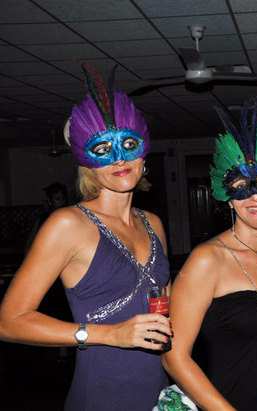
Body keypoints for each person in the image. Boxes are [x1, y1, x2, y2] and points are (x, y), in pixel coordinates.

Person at [0, 63, 171, 410]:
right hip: (102, 396)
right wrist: (111, 334)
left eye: (128, 144)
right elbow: (9, 322)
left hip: (159, 392)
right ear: (86, 163)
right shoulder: (68, 224)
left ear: (143, 153)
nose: (119, 159)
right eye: (103, 150)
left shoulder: (152, 222)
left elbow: (164, 308)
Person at [161, 97, 257, 411]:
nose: (256, 197)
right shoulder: (207, 259)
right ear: (228, 198)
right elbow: (173, 356)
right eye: (241, 186)